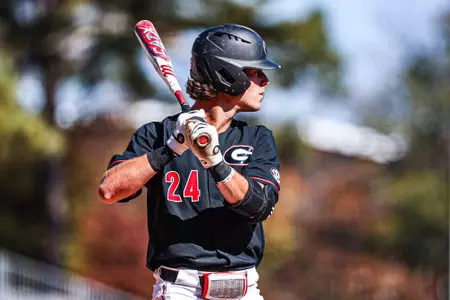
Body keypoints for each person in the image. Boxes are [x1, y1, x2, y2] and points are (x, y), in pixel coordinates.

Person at [98, 24, 281, 300]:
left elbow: (259, 207)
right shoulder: (157, 135)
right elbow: (109, 190)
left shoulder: (257, 138)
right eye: (255, 72)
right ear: (228, 74)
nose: (264, 80)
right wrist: (172, 147)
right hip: (179, 290)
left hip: (243, 290)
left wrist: (216, 162)